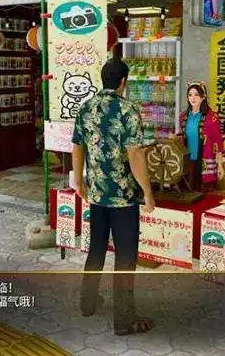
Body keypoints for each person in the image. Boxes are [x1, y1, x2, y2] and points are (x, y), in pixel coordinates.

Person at [72, 59, 155, 336]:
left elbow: (77, 147)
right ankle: (124, 320)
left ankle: (87, 303)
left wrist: (78, 181)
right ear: (123, 82)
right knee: (125, 257)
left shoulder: (86, 108)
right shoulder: (129, 110)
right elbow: (135, 155)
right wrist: (148, 192)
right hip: (123, 199)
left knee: (96, 250)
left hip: (97, 195)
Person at [176, 82, 225, 191]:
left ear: (203, 97)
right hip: (187, 161)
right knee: (187, 192)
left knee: (204, 194)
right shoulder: (183, 116)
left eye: (196, 95)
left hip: (204, 162)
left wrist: (220, 165)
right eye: (190, 95)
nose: (193, 98)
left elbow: (218, 141)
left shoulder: (212, 117)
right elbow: (183, 136)